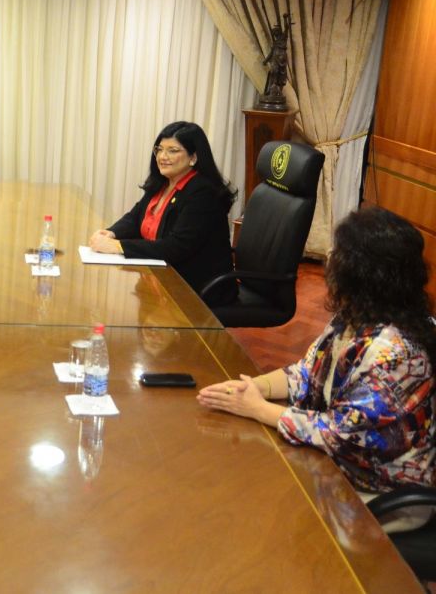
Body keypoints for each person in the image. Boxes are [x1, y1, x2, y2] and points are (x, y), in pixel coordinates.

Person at [197, 208, 436, 532]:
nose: (330, 257)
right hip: (339, 468)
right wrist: (254, 387)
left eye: (338, 252)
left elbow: (339, 434)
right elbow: (307, 372)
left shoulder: (395, 352)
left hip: (380, 492)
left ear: (360, 271)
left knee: (257, 510)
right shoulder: (354, 317)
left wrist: (258, 409)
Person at [88, 121, 236, 306]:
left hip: (195, 288)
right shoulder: (163, 182)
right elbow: (135, 218)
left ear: (193, 157)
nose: (162, 157)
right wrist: (111, 233)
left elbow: (176, 247)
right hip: (163, 278)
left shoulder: (204, 193)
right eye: (159, 149)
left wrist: (118, 246)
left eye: (173, 151)